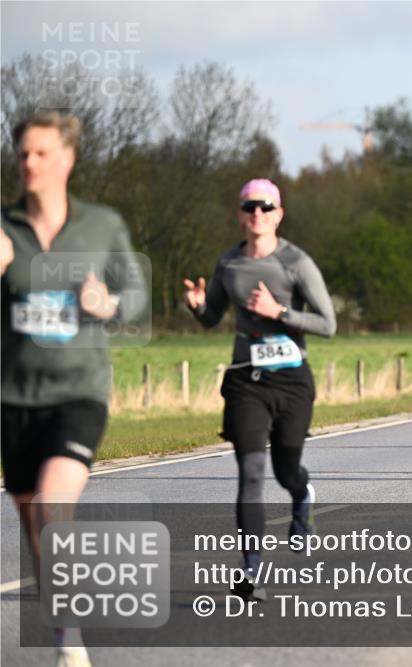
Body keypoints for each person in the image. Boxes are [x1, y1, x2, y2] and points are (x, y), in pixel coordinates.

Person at [2, 111, 148, 667]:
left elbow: (135, 294)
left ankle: (70, 642)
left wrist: (107, 303)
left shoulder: (101, 225)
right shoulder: (4, 228)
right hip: (13, 398)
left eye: (41, 153)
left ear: (67, 158)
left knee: (50, 505)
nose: (30, 163)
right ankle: (66, 625)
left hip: (79, 391)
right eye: (23, 154)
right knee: (33, 523)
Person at [184, 178, 336, 601]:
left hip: (291, 380)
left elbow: (328, 324)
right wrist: (197, 307)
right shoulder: (228, 264)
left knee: (287, 470)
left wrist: (279, 311)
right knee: (250, 474)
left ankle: (301, 496)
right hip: (245, 380)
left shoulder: (296, 263)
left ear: (279, 214)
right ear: (239, 214)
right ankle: (250, 572)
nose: (258, 214)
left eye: (266, 207)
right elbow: (212, 316)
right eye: (250, 207)